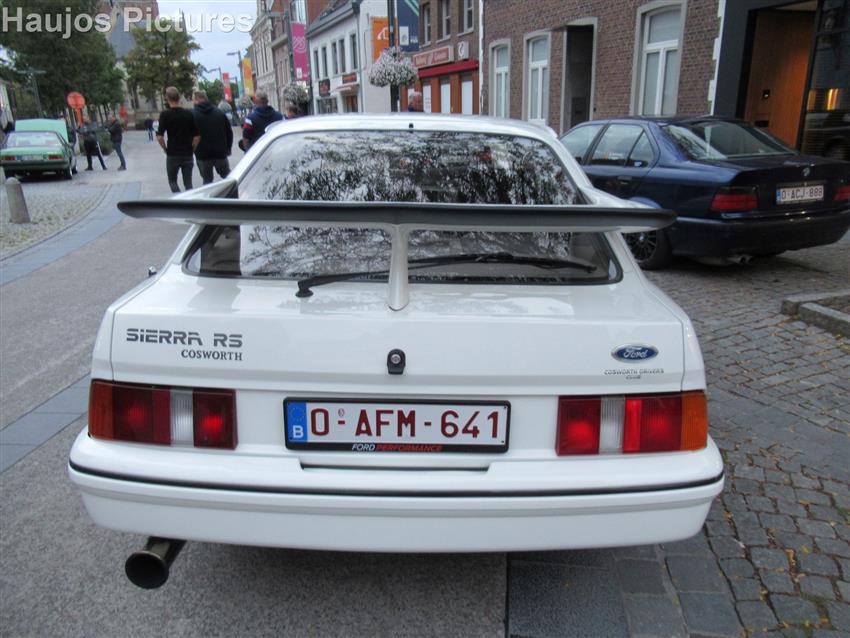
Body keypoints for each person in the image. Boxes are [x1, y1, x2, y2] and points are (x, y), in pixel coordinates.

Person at [157, 86, 200, 193]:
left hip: (173, 152)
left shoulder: (165, 114)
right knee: (188, 183)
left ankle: (178, 197)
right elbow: (197, 136)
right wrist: (193, 148)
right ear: (179, 97)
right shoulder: (188, 114)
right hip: (187, 152)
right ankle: (189, 199)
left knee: (172, 181)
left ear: (167, 99)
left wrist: (165, 148)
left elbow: (160, 136)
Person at [192, 90, 233, 185]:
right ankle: (234, 192)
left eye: (193, 99)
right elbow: (229, 132)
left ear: (197, 99)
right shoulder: (219, 113)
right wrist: (228, 148)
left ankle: (210, 195)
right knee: (228, 177)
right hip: (220, 153)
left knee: (207, 181)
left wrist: (192, 149)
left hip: (202, 154)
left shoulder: (193, 115)